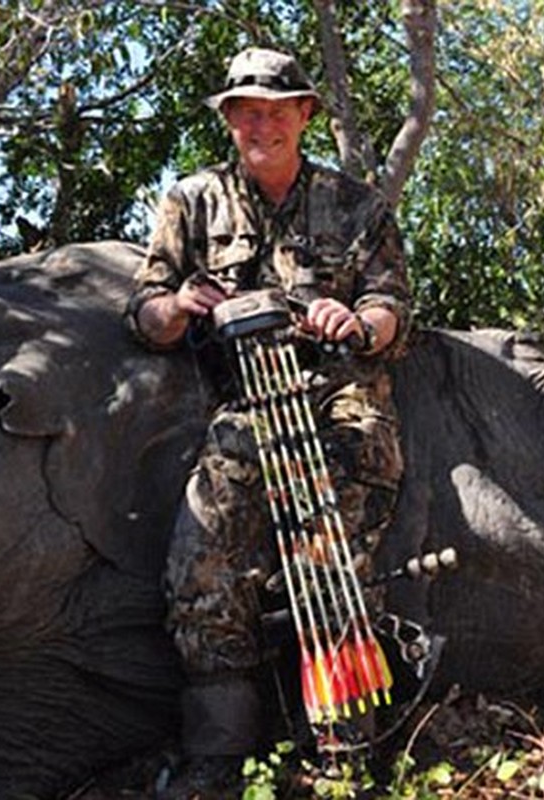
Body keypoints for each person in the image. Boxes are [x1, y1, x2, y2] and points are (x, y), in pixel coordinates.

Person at [125, 47, 411, 797]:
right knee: (202, 558)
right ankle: (221, 754)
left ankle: (347, 748)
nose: (261, 123)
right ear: (228, 120)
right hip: (242, 407)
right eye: (245, 111)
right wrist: (180, 308)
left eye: (276, 110)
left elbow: (393, 312)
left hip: (339, 400)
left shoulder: (359, 206)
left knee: (333, 560)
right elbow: (144, 310)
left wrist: (353, 321)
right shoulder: (190, 202)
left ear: (305, 115)